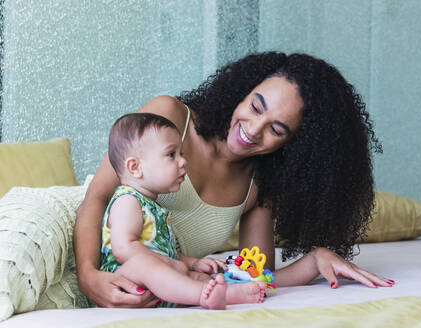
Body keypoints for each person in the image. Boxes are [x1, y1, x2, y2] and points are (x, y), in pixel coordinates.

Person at [74, 52, 393, 308]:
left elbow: (253, 277)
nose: (253, 128)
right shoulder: (170, 119)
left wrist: (313, 261)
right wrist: (89, 277)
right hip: (82, 243)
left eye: (276, 130)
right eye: (256, 106)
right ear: (242, 92)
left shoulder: (258, 188)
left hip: (156, 279)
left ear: (293, 147)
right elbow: (97, 197)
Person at [99, 112, 266, 309]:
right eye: (171, 154)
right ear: (135, 167)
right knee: (144, 265)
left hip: (157, 283)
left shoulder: (156, 206)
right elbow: (123, 249)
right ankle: (202, 295)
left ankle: (225, 293)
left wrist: (192, 263)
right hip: (125, 283)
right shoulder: (128, 200)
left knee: (201, 276)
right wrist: (169, 263)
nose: (183, 161)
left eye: (182, 154)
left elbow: (165, 250)